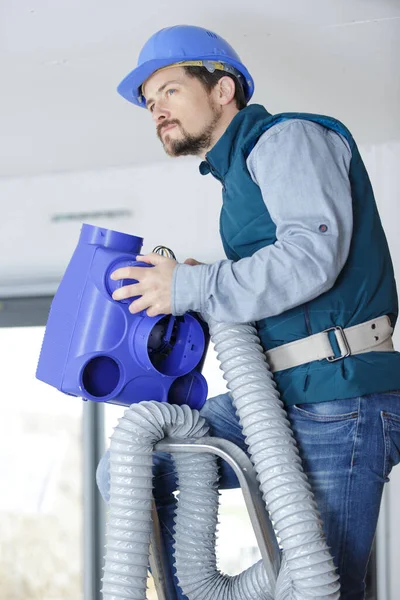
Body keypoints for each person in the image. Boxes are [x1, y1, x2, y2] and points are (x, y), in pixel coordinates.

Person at [96, 25, 400, 599]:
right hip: (279, 394)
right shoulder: (235, 181)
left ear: (222, 89)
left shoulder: (286, 140)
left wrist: (195, 285)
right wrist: (193, 290)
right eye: (148, 103)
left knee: (316, 585)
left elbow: (311, 260)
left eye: (167, 90)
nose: (156, 109)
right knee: (127, 468)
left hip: (342, 394)